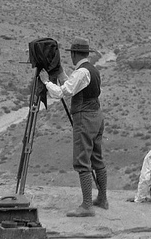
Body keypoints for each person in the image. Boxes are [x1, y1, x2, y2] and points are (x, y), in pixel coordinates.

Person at [39, 37, 107, 217]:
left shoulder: (82, 72)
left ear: (75, 54)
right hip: (97, 116)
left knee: (82, 159)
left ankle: (86, 206)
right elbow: (74, 85)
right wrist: (61, 74)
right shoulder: (92, 70)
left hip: (85, 118)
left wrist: (46, 82)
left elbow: (63, 92)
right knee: (97, 157)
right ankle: (102, 198)